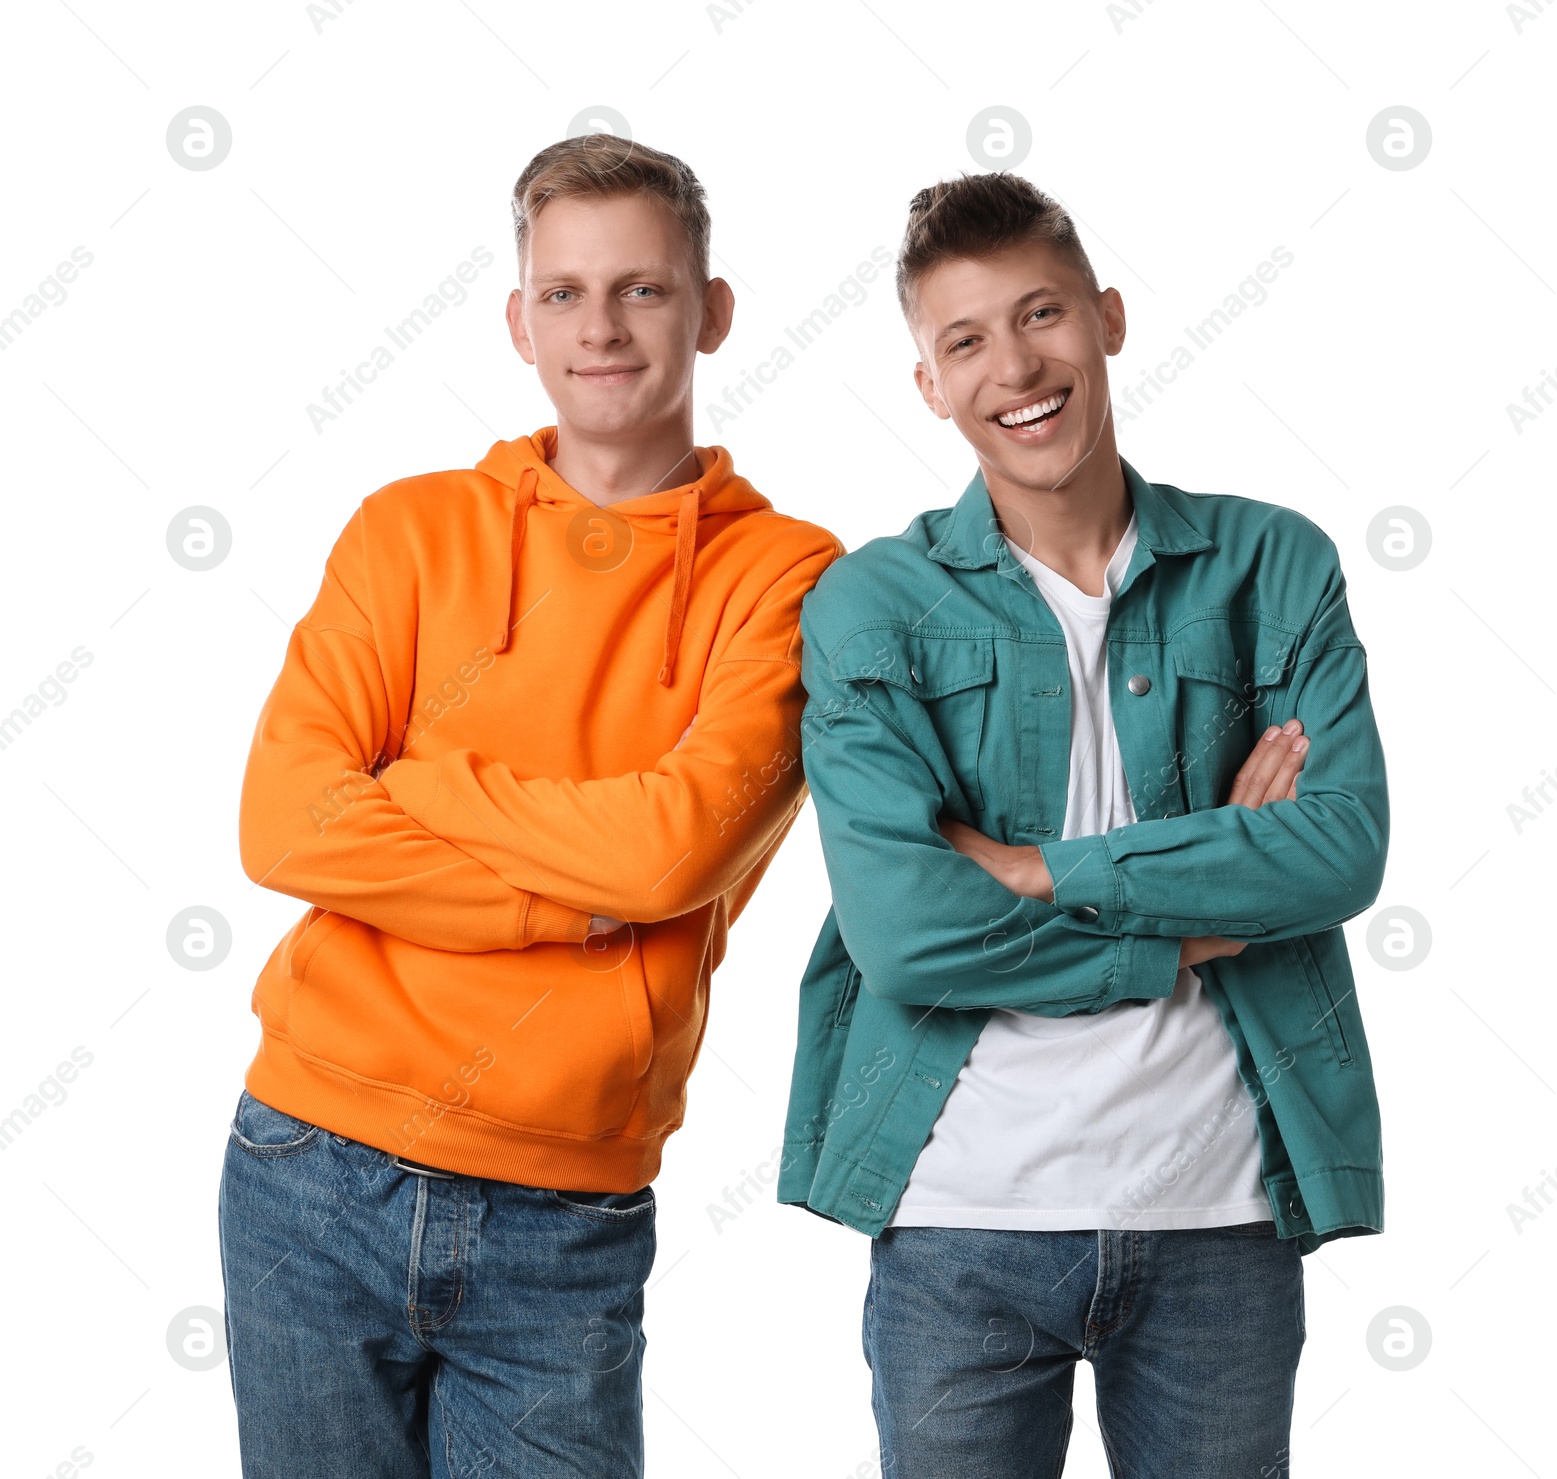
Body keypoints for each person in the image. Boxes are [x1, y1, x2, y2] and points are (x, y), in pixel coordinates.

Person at [221, 133, 841, 1478]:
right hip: (306, 1166)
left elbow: (676, 849)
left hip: (565, 1208)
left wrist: (429, 788)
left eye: (644, 289)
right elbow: (286, 824)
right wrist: (579, 896)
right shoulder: (408, 532)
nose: (600, 328)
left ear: (712, 310)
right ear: (518, 320)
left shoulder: (790, 579)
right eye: (563, 294)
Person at [779, 171, 1388, 1478]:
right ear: (930, 386)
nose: (1018, 365)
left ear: (1108, 318)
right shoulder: (868, 606)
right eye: (967, 341)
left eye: (1042, 314)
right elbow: (906, 935)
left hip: (1218, 1215)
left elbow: (1339, 848)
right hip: (957, 1219)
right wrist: (1185, 931)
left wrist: (1039, 869)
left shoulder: (1271, 565)